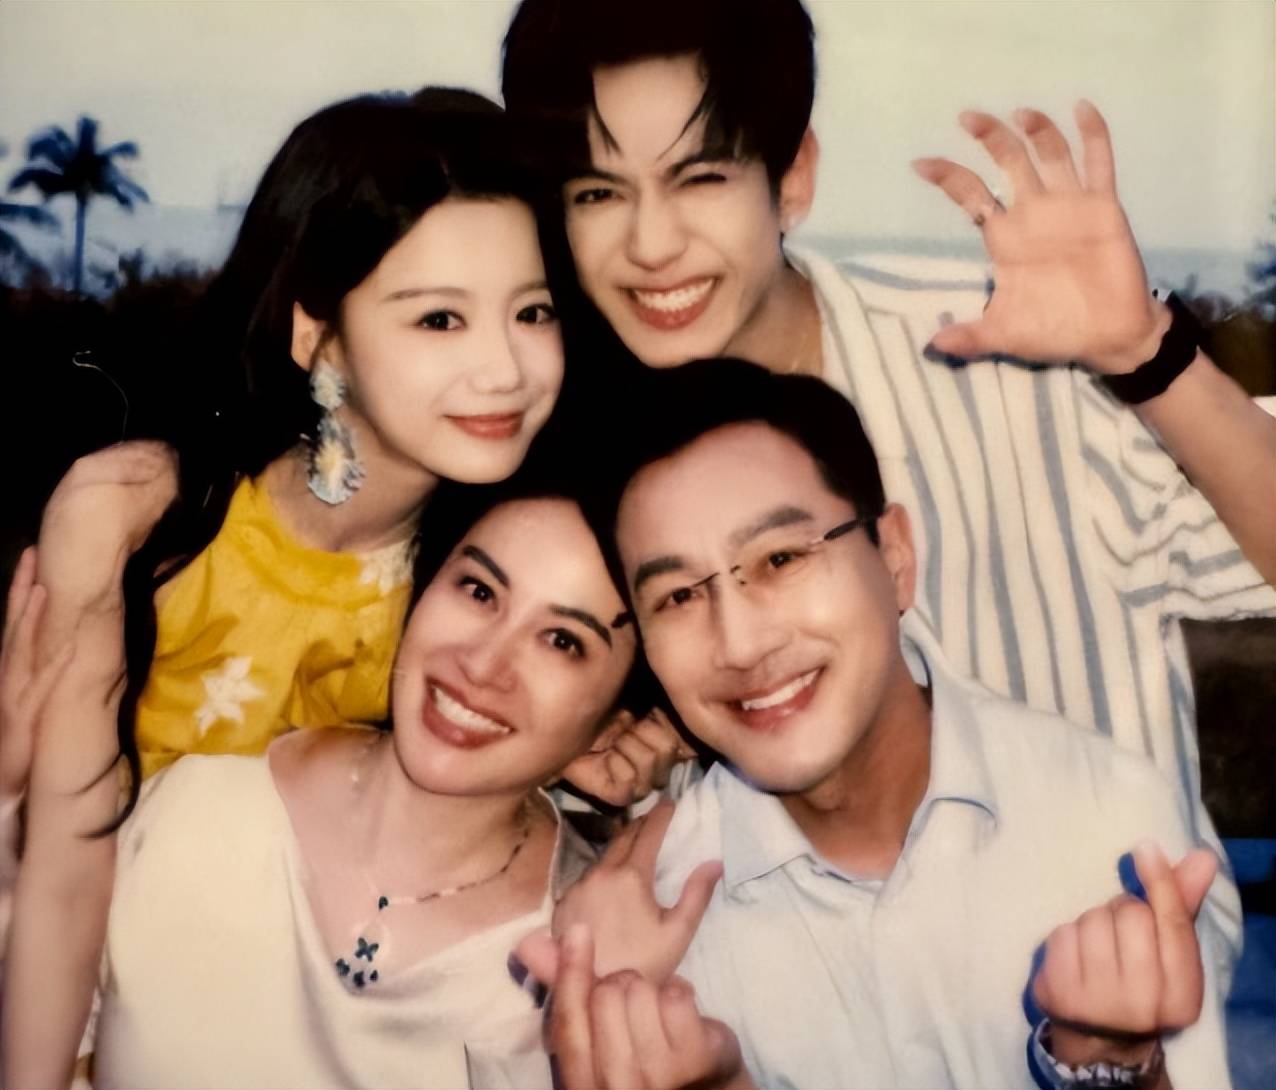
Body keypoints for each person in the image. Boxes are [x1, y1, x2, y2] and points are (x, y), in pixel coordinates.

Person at [499, 0, 1276, 956]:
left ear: (792, 178)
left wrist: (1146, 355)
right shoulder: (575, 471)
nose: (651, 245)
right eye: (598, 193)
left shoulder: (1002, 350)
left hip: (1127, 989)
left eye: (699, 178)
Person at [520, 359, 1233, 1090]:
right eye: (677, 597)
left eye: (780, 559)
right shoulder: (647, 932)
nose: (740, 645)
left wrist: (1116, 1064)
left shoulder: (1105, 816)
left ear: (894, 556)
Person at [4, 457, 647, 1088]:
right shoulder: (202, 806)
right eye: (479, 591)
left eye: (562, 641)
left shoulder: (591, 959)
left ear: (612, 728)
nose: (482, 664)